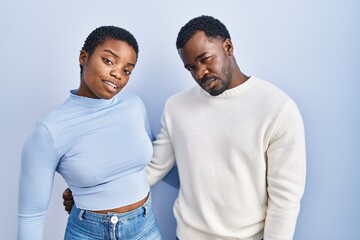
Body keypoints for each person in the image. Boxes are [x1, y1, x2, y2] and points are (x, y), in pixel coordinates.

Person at [64, 15, 306, 240]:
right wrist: (92, 194)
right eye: (191, 67)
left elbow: (284, 200)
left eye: (205, 59)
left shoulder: (277, 108)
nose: (200, 72)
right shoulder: (177, 107)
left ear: (228, 48)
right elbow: (152, 168)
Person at [18, 26, 162, 240]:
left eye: (127, 70)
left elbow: (157, 159)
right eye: (109, 61)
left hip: (145, 227)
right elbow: (31, 217)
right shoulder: (49, 130)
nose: (117, 74)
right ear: (83, 57)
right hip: (89, 233)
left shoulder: (134, 104)